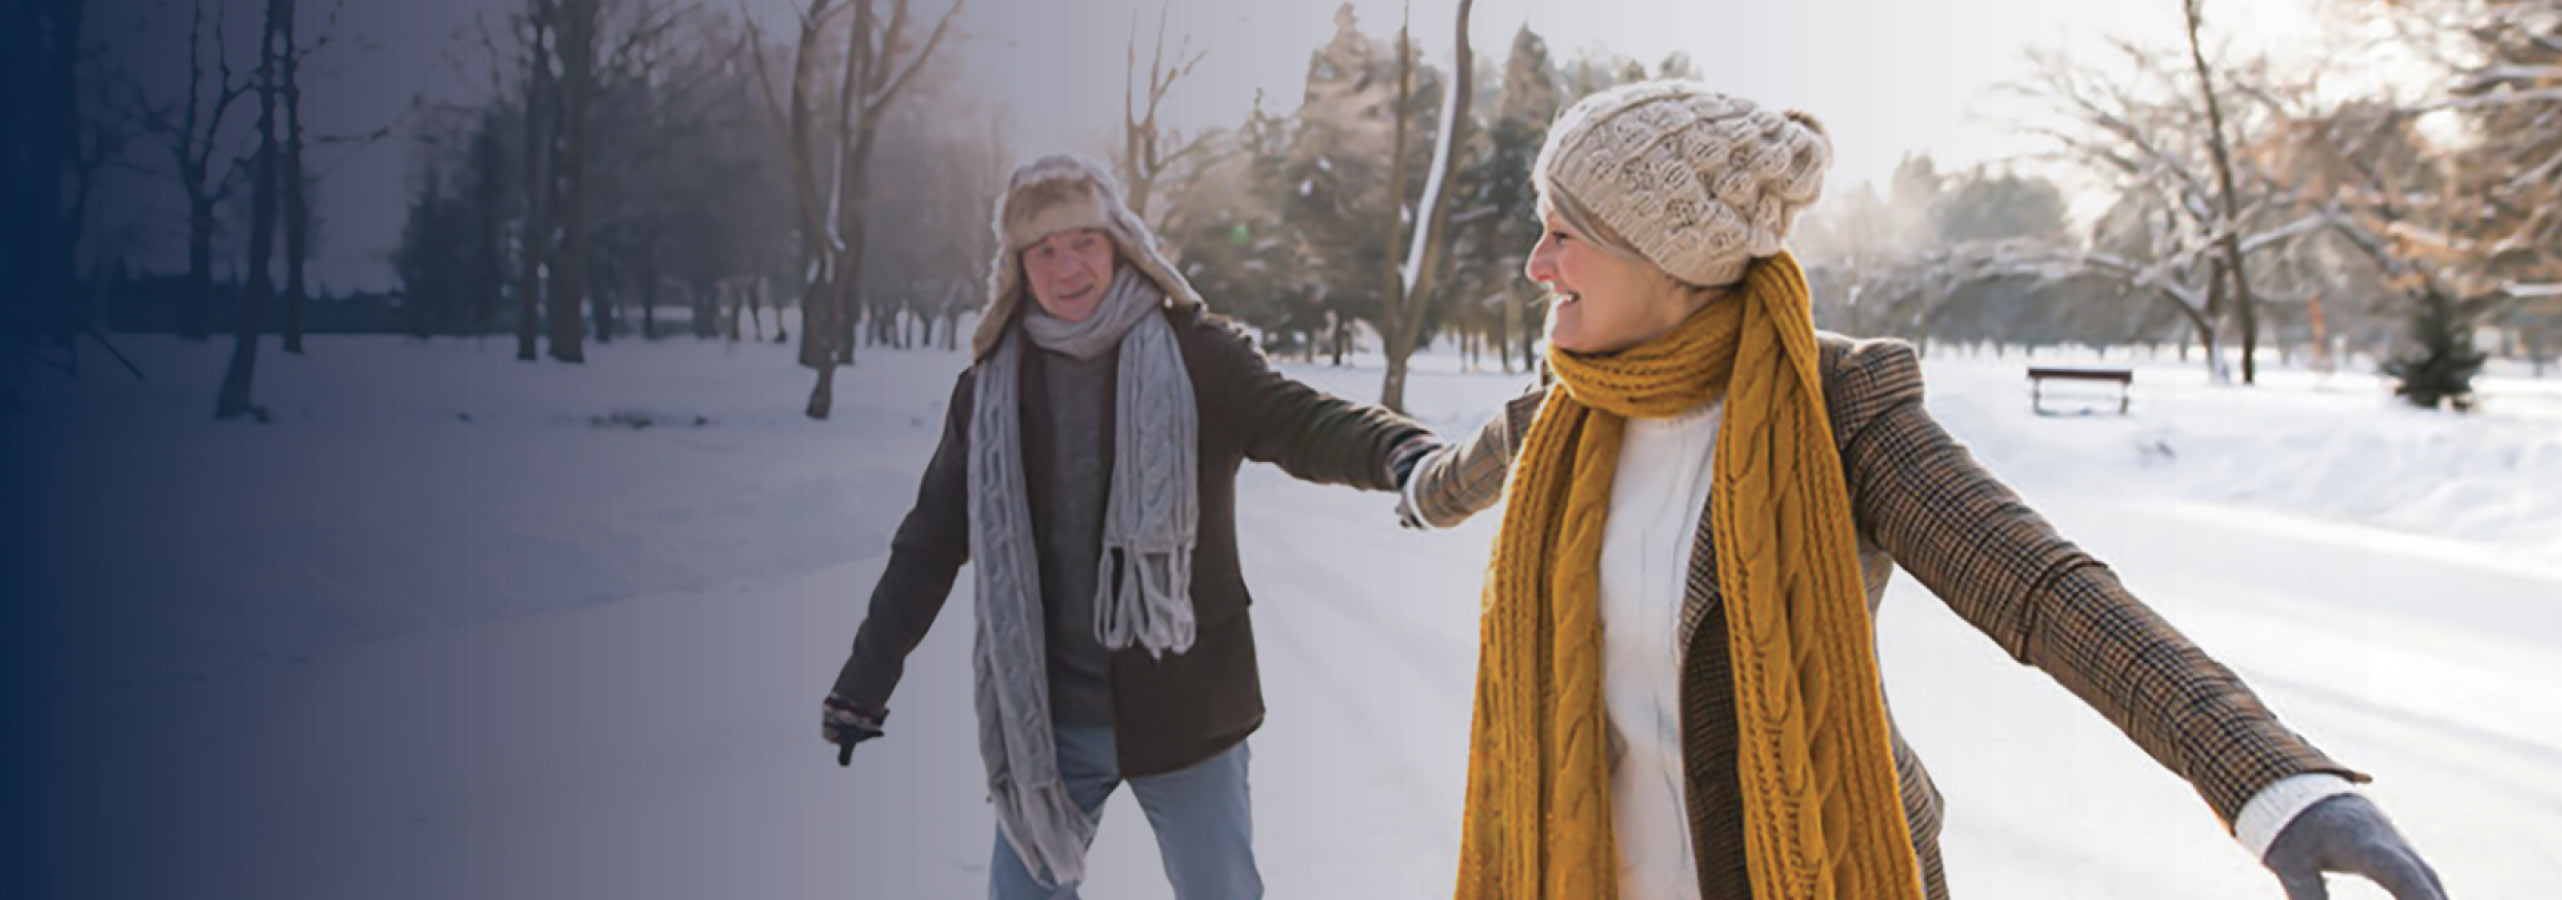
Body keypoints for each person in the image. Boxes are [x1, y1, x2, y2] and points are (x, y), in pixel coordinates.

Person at [1396, 81, 2446, 900]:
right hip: (1582, 866)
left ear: (1666, 256)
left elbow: (2044, 589)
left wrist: (2268, 780)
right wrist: (1412, 485)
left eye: (1562, 233)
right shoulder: (1570, 408)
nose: (1536, 266)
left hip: (1813, 865)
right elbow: (1466, 472)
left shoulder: (1835, 407)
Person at [822, 153, 1439, 900]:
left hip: (1188, 714)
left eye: (1082, 241)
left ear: (1119, 241)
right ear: (1018, 269)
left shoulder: (1196, 353)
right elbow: (928, 546)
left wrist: (1397, 451)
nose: (1067, 266)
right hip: (1049, 725)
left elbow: (1297, 420)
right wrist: (865, 680)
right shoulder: (989, 391)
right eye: (1043, 251)